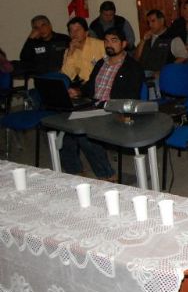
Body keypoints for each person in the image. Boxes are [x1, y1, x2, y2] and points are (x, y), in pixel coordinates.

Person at [62, 28, 145, 181]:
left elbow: (131, 97)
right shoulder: (101, 63)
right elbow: (90, 88)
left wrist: (109, 108)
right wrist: (78, 92)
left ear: (124, 44)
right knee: (67, 131)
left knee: (83, 134)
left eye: (114, 40)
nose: (109, 44)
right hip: (93, 106)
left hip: (113, 110)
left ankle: (108, 175)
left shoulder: (132, 67)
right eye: (106, 41)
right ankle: (75, 172)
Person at [134, 9, 188, 75]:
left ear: (162, 21)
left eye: (153, 21)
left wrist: (164, 71)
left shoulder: (172, 37)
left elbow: (183, 57)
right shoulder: (147, 37)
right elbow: (136, 58)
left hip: (162, 75)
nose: (150, 25)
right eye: (148, 22)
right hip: (143, 73)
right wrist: (143, 40)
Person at [61, 17, 107, 85]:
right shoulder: (69, 51)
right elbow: (66, 76)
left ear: (86, 32)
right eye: (71, 31)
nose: (74, 33)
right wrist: (70, 54)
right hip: (83, 87)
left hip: (101, 84)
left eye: (78, 30)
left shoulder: (101, 45)